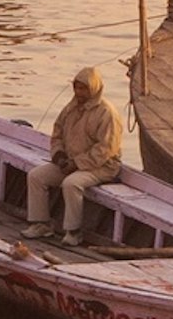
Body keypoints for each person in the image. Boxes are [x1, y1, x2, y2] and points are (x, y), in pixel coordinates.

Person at [26, 70, 123, 242]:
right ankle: (42, 224)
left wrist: (77, 163)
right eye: (76, 88)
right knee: (36, 176)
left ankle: (74, 232)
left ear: (93, 89)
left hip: (102, 166)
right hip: (70, 162)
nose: (79, 93)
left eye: (83, 89)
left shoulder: (106, 113)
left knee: (71, 183)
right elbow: (57, 134)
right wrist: (59, 156)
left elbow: (106, 149)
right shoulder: (70, 108)